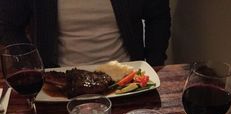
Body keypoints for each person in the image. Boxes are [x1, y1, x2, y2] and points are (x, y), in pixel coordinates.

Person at [0, 0, 171, 68]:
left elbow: (157, 15)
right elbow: (7, 25)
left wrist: (154, 63)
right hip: (58, 85)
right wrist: (31, 64)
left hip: (127, 80)